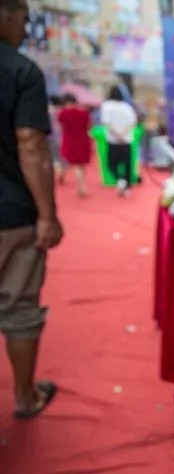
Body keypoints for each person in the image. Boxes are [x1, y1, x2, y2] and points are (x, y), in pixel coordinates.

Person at [0, 0, 63, 418]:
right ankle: (24, 397)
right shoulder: (21, 71)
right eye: (24, 15)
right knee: (19, 308)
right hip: (11, 215)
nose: (27, 25)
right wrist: (47, 213)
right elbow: (30, 144)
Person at [100, 86, 137, 196]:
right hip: (126, 140)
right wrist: (123, 134)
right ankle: (125, 184)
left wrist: (117, 134)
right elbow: (133, 122)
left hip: (113, 140)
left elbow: (106, 122)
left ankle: (121, 181)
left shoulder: (106, 106)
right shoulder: (127, 107)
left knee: (111, 164)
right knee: (127, 165)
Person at [56, 93, 91, 197]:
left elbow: (60, 128)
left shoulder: (62, 113)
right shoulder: (84, 112)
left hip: (69, 140)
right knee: (81, 164)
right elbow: (89, 126)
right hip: (83, 140)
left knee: (73, 163)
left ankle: (81, 187)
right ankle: (82, 185)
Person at [47, 95, 64, 183]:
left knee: (54, 157)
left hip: (51, 137)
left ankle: (58, 170)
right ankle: (62, 170)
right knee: (62, 156)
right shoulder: (63, 110)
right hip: (63, 136)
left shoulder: (49, 111)